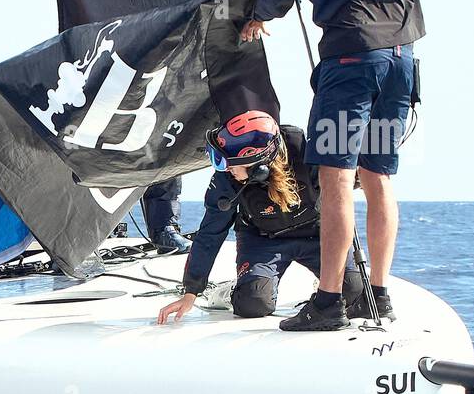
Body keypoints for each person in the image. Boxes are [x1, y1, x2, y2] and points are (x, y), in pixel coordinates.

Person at [240, 0, 424, 331]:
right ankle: (378, 296)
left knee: (336, 177)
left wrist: (254, 20)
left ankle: (327, 303)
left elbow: (277, 0)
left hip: (351, 62)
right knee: (377, 174)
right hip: (401, 55)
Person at [157, 111, 369, 325]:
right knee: (253, 304)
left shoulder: (303, 152)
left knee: (352, 290)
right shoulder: (227, 179)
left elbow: (342, 188)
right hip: (263, 239)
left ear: (257, 164)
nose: (224, 169)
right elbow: (210, 232)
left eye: (227, 162)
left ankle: (321, 284)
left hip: (315, 234)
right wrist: (191, 291)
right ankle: (229, 290)